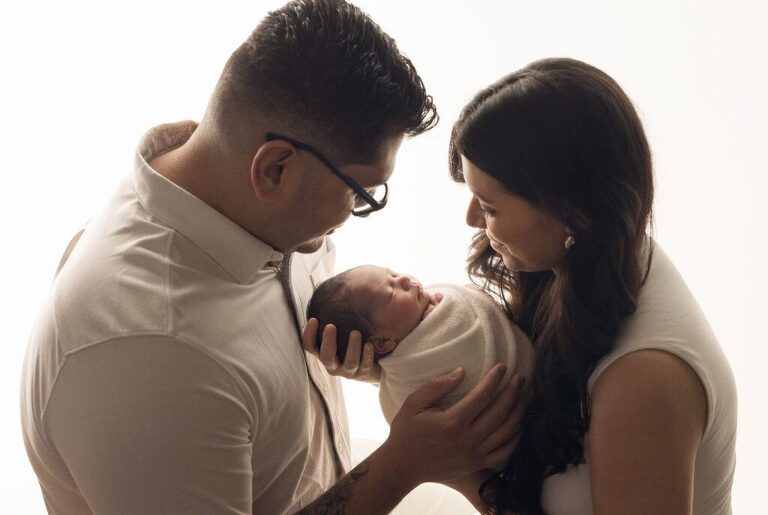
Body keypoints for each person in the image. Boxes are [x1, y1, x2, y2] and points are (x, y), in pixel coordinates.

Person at [19, 1, 527, 514]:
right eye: (360, 195)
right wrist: (401, 466)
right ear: (276, 169)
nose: (351, 218)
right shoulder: (147, 354)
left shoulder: (246, 204)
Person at [448, 57, 737, 514]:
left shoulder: (644, 379)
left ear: (570, 209)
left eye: (490, 206)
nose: (471, 220)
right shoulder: (591, 260)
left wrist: (464, 478)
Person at [306, 265, 535, 423]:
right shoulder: (406, 372)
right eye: (390, 292)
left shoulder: (434, 303)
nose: (404, 279)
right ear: (383, 342)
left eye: (392, 274)